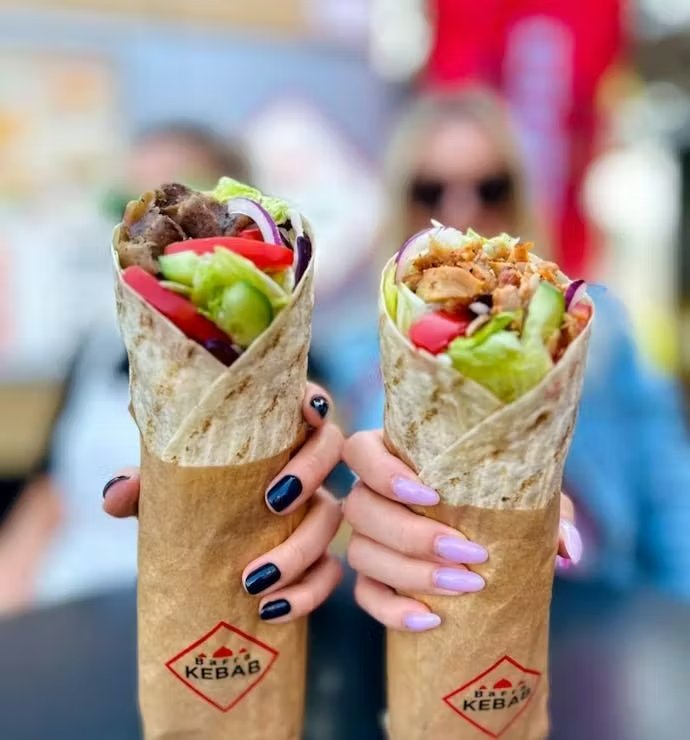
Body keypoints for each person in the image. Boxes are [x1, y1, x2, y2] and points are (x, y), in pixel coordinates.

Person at [314, 86, 690, 608]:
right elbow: (340, 506)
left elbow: (670, 497)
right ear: (401, 201)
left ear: (520, 197)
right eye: (431, 190)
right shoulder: (349, 354)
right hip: (433, 609)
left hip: (599, 605)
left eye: (490, 188)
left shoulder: (601, 330)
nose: (461, 210)